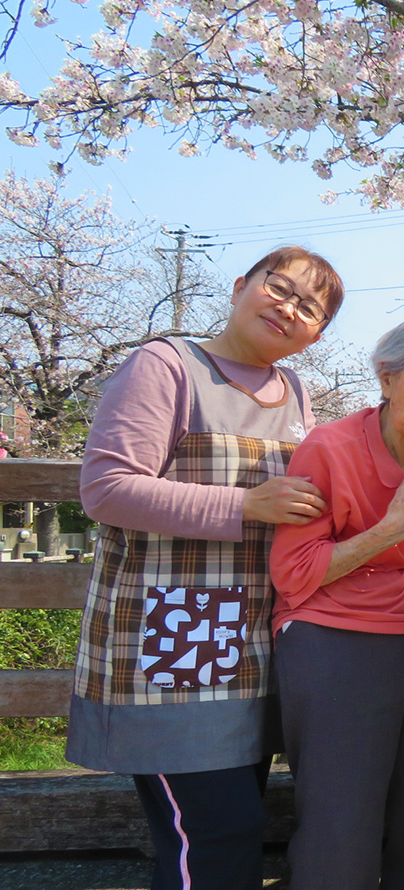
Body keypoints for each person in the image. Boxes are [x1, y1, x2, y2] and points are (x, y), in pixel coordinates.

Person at [66, 246, 344, 890]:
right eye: (280, 289)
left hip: (250, 648)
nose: (289, 309)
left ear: (317, 336)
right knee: (216, 837)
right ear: (242, 284)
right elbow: (105, 489)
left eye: (310, 308)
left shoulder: (294, 392)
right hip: (166, 649)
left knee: (222, 833)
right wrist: (246, 505)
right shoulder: (166, 365)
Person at [268, 314, 404, 890]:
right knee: (341, 823)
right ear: (388, 377)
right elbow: (293, 574)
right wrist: (389, 529)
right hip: (331, 633)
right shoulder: (329, 448)